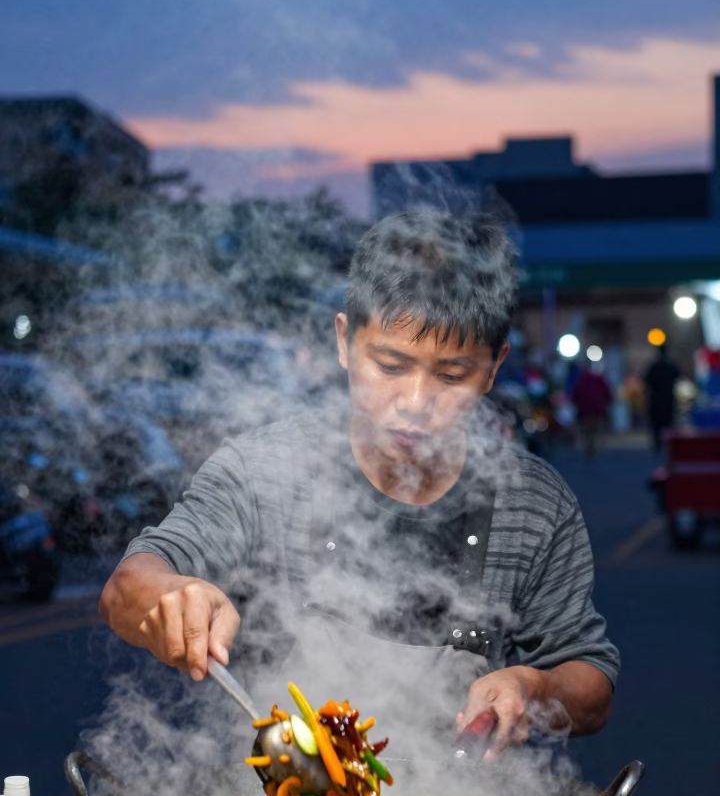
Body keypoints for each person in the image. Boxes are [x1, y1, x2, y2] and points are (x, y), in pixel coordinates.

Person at [100, 209, 618, 759]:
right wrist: (170, 596)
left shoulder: (533, 503)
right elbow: (126, 587)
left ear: (493, 369)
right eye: (390, 365)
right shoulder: (263, 469)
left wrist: (532, 686)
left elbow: (591, 685)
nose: (415, 404)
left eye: (451, 375)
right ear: (346, 341)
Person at [570, 364, 613, 459]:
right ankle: (595, 449)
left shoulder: (582, 381)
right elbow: (608, 394)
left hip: (585, 410)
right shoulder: (600, 380)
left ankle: (589, 448)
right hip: (598, 410)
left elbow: (575, 395)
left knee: (587, 432)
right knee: (597, 431)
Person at [644, 345, 680, 450]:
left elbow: (647, 382)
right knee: (668, 424)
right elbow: (678, 378)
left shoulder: (654, 366)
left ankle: (658, 444)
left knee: (656, 425)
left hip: (656, 400)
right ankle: (668, 445)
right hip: (668, 400)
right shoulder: (670, 366)